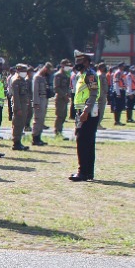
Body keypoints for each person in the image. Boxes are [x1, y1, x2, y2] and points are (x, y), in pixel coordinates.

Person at [69, 50, 101, 182]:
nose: (77, 63)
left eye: (80, 61)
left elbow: (93, 93)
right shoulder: (80, 75)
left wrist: (85, 112)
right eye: (76, 61)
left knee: (83, 141)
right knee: (86, 141)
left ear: (87, 61)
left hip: (87, 112)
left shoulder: (90, 75)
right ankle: (87, 172)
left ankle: (83, 172)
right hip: (82, 111)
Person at [8, 63, 32, 151]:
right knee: (17, 124)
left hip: (24, 105)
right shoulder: (16, 82)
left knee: (21, 124)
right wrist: (18, 108)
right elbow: (16, 96)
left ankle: (19, 142)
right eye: (22, 71)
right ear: (18, 71)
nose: (24, 72)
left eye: (25, 71)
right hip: (19, 106)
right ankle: (16, 143)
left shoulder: (24, 81)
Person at [31, 62, 51, 146]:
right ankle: (35, 138)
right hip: (39, 100)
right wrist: (36, 103)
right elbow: (35, 91)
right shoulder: (37, 77)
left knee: (42, 119)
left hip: (44, 99)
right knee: (38, 119)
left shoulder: (43, 78)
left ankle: (39, 137)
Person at [53, 59, 72, 137]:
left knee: (64, 115)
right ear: (62, 65)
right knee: (59, 115)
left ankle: (60, 130)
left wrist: (68, 94)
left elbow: (68, 86)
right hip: (60, 98)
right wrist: (64, 95)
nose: (67, 67)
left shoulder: (67, 75)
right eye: (66, 65)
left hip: (65, 98)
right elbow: (56, 88)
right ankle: (57, 131)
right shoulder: (58, 75)